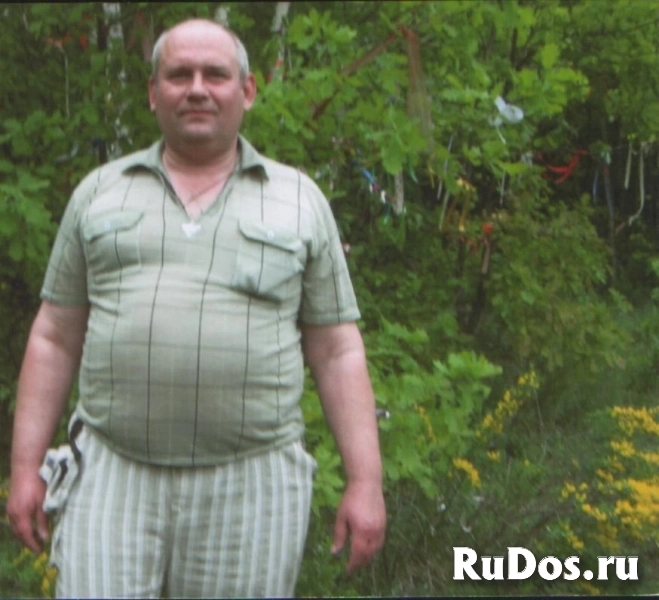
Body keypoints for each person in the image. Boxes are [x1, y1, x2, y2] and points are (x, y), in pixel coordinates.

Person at [7, 18, 386, 598]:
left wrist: (365, 480)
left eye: (216, 74)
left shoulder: (299, 201)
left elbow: (337, 350)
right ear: (153, 92)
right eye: (179, 75)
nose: (198, 89)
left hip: (253, 481)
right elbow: (54, 337)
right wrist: (23, 469)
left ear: (247, 90)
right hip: (112, 472)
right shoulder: (99, 193)